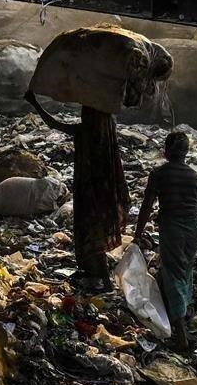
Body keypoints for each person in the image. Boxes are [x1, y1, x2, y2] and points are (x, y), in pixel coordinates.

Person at [24, 92, 129, 291]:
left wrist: (35, 103)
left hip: (90, 192)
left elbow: (54, 124)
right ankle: (101, 278)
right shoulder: (108, 131)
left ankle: (103, 280)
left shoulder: (85, 131)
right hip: (107, 192)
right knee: (98, 232)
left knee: (91, 233)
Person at [133, 132, 197, 350]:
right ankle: (176, 312)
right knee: (182, 270)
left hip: (172, 228)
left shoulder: (159, 174)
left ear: (167, 150)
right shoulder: (196, 177)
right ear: (186, 152)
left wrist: (138, 234)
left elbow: (147, 205)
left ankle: (181, 334)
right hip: (192, 230)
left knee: (173, 273)